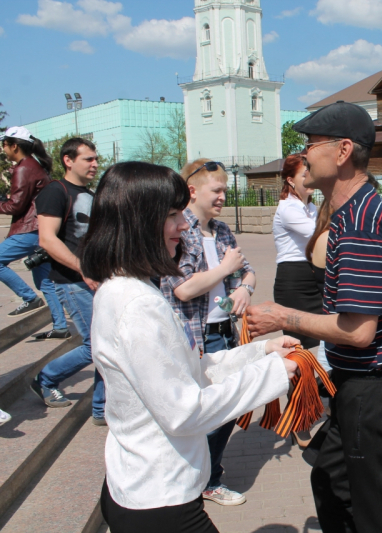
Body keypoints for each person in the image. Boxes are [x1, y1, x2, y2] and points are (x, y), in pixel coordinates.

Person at [82, 161, 298, 533]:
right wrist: (271, 376)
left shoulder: (128, 288)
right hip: (159, 498)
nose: (183, 226)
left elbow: (184, 369)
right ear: (138, 221)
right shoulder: (137, 305)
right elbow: (184, 411)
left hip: (149, 485)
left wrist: (258, 353)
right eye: (171, 216)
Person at [246, 101, 382, 532]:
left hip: (375, 391)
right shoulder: (350, 214)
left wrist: (283, 317)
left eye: (311, 144)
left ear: (343, 151)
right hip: (360, 386)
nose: (304, 154)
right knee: (330, 482)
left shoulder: (360, 219)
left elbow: (360, 332)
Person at [160, 159, 256, 507]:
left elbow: (249, 272)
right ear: (192, 190)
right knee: (203, 413)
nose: (222, 197)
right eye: (216, 190)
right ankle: (203, 480)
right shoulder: (177, 231)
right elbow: (182, 290)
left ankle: (205, 477)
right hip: (195, 337)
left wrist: (245, 288)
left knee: (225, 410)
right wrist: (225, 269)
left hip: (225, 333)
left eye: (224, 191)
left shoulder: (223, 230)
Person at [31, 137, 106, 423]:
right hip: (71, 281)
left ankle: (101, 408)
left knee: (104, 344)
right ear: (68, 160)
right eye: (88, 159)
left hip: (95, 279)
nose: (95, 164)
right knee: (95, 345)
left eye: (95, 158)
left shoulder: (89, 193)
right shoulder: (55, 191)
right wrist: (83, 269)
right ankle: (46, 378)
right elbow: (47, 239)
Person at [0, 126, 67, 336]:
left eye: (4, 144)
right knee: (45, 281)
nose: (3, 148)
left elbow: (16, 206)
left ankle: (29, 298)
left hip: (30, 230)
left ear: (15, 146)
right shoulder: (34, 165)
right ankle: (60, 327)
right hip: (40, 229)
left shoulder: (24, 168)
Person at [272, 153, 321, 349]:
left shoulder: (310, 207)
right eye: (304, 174)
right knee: (301, 347)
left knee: (321, 340)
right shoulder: (288, 208)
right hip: (294, 280)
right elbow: (317, 234)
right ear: (290, 180)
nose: (309, 178)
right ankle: (298, 381)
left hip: (312, 275)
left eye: (311, 172)